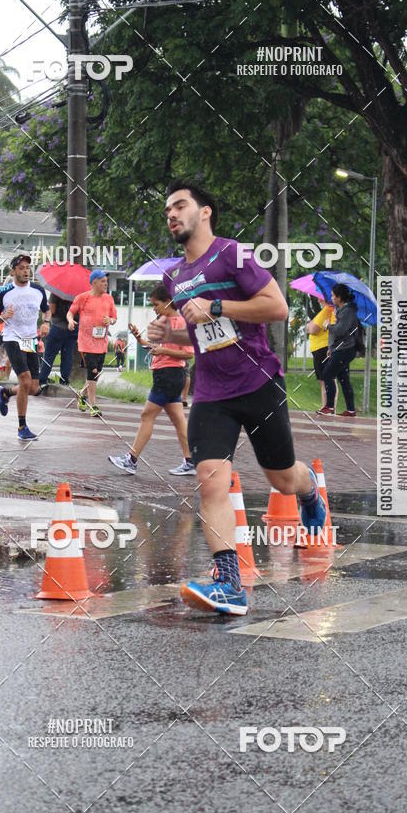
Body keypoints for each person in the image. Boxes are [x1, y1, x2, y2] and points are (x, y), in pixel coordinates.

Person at [147, 179, 326, 616]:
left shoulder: (233, 254)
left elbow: (277, 307)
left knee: (282, 480)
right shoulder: (174, 277)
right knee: (210, 479)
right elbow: (198, 334)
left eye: (180, 206)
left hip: (258, 382)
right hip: (211, 392)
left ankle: (308, 490)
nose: (171, 214)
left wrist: (219, 306)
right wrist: (165, 333)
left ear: (205, 212)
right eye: (167, 210)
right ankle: (229, 583)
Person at [109, 284, 195, 476]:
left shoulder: (180, 323)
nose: (154, 308)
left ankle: (131, 459)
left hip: (169, 375)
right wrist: (139, 339)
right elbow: (157, 348)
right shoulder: (165, 321)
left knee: (147, 415)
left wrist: (163, 350)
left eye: (156, 304)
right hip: (168, 375)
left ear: (168, 302)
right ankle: (190, 461)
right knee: (178, 419)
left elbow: (189, 354)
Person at [0, 254, 50, 441]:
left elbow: (47, 309)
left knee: (33, 387)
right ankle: (22, 427)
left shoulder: (38, 290)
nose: (26, 271)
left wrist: (46, 322)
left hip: (30, 339)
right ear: (13, 271)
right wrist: (3, 316)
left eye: (27, 268)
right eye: (21, 268)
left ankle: (6, 392)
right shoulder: (4, 292)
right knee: (25, 381)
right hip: (12, 339)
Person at [67, 270, 117, 417]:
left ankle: (81, 394)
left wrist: (110, 320)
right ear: (94, 282)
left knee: (96, 374)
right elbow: (70, 312)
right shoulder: (82, 298)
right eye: (103, 281)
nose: (106, 284)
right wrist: (70, 320)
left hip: (101, 343)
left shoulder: (109, 299)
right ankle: (93, 406)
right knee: (93, 372)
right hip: (86, 343)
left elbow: (114, 318)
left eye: (106, 281)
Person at [319, 283, 359, 417]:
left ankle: (330, 407)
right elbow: (340, 332)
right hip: (341, 349)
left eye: (333, 296)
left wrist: (328, 326)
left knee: (327, 374)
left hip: (345, 349)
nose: (331, 298)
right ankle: (351, 410)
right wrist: (331, 348)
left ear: (339, 297)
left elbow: (341, 330)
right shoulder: (342, 310)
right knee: (343, 378)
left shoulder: (347, 311)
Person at [38, 294, 79, 390]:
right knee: (67, 355)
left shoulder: (56, 293)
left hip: (57, 327)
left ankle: (42, 380)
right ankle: (64, 381)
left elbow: (51, 311)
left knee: (49, 355)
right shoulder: (79, 295)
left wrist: (45, 316)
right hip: (73, 328)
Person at [306, 298, 337, 410]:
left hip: (323, 348)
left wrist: (310, 325)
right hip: (319, 349)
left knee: (328, 379)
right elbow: (311, 327)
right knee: (323, 380)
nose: (319, 301)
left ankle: (329, 407)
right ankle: (325, 406)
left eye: (320, 298)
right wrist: (310, 325)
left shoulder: (328, 310)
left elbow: (313, 329)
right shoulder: (325, 311)